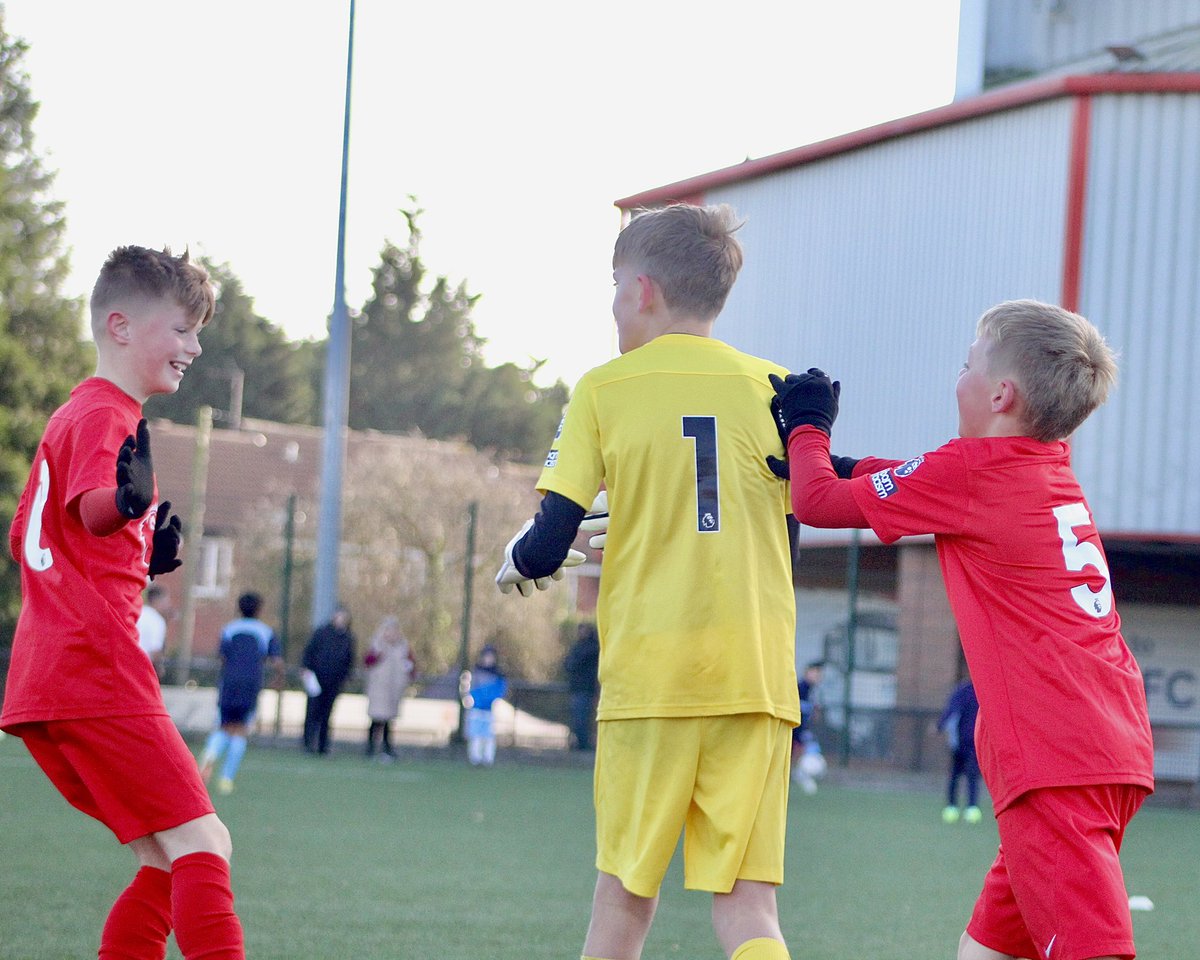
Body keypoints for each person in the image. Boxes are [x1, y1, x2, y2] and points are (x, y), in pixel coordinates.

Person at [774, 299, 1154, 960]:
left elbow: (816, 502)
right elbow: (922, 481)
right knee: (983, 951)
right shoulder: (1041, 467)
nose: (957, 377)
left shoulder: (971, 474)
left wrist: (808, 428)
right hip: (1100, 741)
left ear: (1000, 394)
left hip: (1053, 760)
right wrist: (846, 464)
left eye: (965, 364)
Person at [496, 203, 799, 960]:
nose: (612, 304)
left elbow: (550, 540)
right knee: (750, 907)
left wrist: (521, 557)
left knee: (624, 899)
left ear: (642, 290)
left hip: (650, 680)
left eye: (613, 286)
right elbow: (790, 535)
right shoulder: (778, 387)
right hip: (755, 680)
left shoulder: (605, 388)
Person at [0, 246, 246, 958]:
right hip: (97, 671)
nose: (193, 348)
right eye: (182, 330)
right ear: (121, 327)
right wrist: (126, 507)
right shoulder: (109, 413)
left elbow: (30, 538)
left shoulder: (71, 414)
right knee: (205, 842)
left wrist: (139, 548)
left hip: (47, 681)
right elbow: (92, 507)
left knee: (163, 859)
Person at [198, 592, 282, 794]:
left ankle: (210, 754)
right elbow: (277, 662)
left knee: (223, 726)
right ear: (259, 609)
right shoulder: (265, 631)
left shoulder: (229, 629)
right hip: (250, 684)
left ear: (239, 608)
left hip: (229, 683)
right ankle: (226, 779)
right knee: (240, 730)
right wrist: (277, 679)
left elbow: (222, 657)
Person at [301, 605, 356, 755]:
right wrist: (305, 668)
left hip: (334, 682)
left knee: (327, 714)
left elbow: (349, 660)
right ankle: (308, 743)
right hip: (316, 678)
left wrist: (345, 676)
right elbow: (309, 651)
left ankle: (322, 745)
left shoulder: (348, 638)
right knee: (313, 711)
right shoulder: (321, 633)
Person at [363, 616, 416, 760]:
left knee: (389, 720)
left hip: (394, 689)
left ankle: (387, 748)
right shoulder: (377, 645)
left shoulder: (403, 647)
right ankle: (370, 747)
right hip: (379, 688)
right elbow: (367, 661)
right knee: (376, 718)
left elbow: (411, 665)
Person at [938, 678, 982, 824]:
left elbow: (951, 711)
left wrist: (940, 726)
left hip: (964, 743)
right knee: (970, 775)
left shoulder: (963, 691)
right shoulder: (976, 691)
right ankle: (970, 807)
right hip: (971, 743)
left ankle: (954, 807)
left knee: (957, 775)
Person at [464, 644, 508, 767]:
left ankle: (488, 759)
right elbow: (471, 688)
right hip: (477, 707)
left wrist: (491, 700)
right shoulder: (476, 672)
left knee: (488, 736)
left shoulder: (498, 675)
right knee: (475, 735)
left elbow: (500, 690)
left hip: (489, 709)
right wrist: (476, 699)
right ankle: (475, 758)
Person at [791, 661, 826, 795]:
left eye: (819, 674)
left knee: (807, 751)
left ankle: (800, 774)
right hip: (793, 729)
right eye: (815, 673)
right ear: (807, 672)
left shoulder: (813, 692)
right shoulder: (799, 688)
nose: (818, 676)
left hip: (801, 731)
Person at [563, 622, 600, 751]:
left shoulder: (591, 649)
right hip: (578, 688)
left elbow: (572, 663)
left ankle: (583, 744)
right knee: (578, 718)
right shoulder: (578, 647)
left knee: (582, 718)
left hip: (586, 689)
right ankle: (580, 743)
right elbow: (568, 664)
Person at [136, 582, 172, 677]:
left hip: (127, 662)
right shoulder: (157, 620)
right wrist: (159, 668)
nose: (168, 605)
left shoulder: (138, 612)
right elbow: (155, 650)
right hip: (143, 667)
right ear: (157, 600)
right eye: (166, 601)